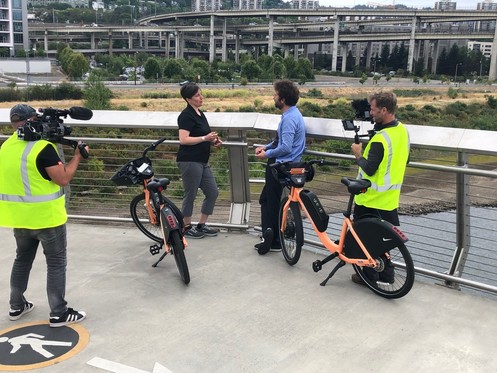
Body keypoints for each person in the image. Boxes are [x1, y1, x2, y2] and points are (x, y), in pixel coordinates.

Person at [0, 104, 89, 327]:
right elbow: (63, 178)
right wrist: (77, 155)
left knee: (22, 260)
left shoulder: (7, 146)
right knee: (56, 263)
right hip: (47, 218)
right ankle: (59, 312)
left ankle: (16, 305)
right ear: (33, 120)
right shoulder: (42, 148)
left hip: (19, 218)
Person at [350, 91, 410, 285]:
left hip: (370, 198)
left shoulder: (380, 139)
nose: (371, 113)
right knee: (381, 240)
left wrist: (358, 155)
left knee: (366, 240)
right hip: (390, 198)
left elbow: (369, 168)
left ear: (384, 110)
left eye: (373, 109)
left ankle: (368, 277)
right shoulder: (402, 131)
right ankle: (387, 275)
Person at [255, 80, 306, 255]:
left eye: (275, 94)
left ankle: (273, 238)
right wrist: (266, 147)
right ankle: (271, 235)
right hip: (285, 163)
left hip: (280, 164)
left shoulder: (290, 118)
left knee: (270, 200)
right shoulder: (292, 114)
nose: (273, 97)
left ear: (283, 99)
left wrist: (266, 154)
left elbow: (285, 147)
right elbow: (279, 142)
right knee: (269, 199)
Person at [177, 83, 222, 239]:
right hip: (189, 160)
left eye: (200, 94)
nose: (201, 97)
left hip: (202, 161)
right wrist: (204, 138)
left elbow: (204, 135)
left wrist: (213, 141)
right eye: (197, 95)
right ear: (188, 99)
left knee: (212, 192)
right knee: (191, 194)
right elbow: (183, 139)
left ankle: (201, 225)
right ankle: (186, 227)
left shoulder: (200, 114)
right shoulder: (186, 115)